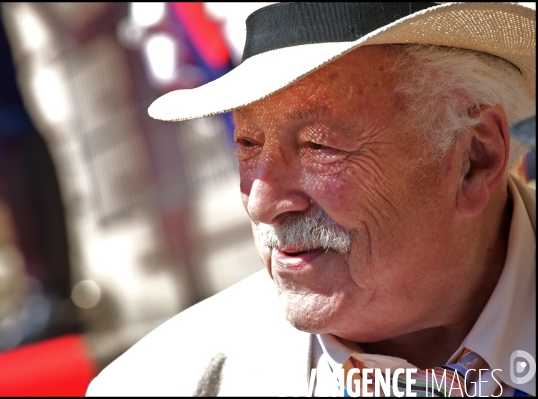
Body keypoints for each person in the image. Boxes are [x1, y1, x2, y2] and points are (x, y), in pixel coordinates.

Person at [87, 3, 535, 396]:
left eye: (319, 146)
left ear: (476, 157)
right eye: (246, 144)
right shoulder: (153, 386)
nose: (261, 202)